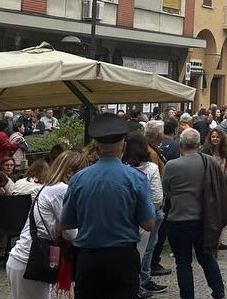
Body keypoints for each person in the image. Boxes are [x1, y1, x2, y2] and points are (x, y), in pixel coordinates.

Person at [60, 114, 157, 299]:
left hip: (88, 259)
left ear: (96, 148)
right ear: (124, 147)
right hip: (123, 258)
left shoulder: (79, 178)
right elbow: (148, 224)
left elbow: (66, 223)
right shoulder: (136, 178)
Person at [5, 150, 88, 299]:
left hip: (26, 259)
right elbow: (70, 232)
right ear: (70, 172)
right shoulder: (61, 190)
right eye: (82, 173)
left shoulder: (50, 187)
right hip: (30, 261)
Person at [162, 128, 227, 299]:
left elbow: (165, 190)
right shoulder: (210, 162)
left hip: (179, 218)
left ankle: (187, 296)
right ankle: (219, 292)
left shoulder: (172, 166)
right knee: (207, 258)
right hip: (204, 219)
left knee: (183, 262)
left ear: (181, 144)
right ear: (199, 144)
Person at [123, 133, 166, 299]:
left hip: (125, 217)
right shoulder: (150, 168)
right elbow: (157, 197)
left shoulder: (121, 167)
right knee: (145, 251)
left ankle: (138, 282)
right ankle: (140, 283)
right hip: (148, 216)